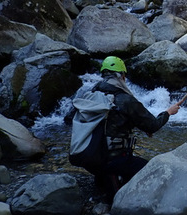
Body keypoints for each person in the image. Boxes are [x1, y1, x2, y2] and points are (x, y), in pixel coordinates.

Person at [71, 55, 180, 201]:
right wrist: (168, 112)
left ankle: (103, 180)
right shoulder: (125, 99)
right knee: (154, 169)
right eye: (124, 76)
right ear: (121, 76)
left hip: (90, 158)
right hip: (114, 161)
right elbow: (153, 125)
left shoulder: (90, 94)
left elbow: (109, 120)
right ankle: (115, 193)